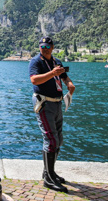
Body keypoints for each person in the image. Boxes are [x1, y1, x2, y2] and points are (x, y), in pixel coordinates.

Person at [29, 36, 75, 192]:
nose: (45, 49)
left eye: (47, 47)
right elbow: (34, 80)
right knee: (51, 139)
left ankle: (50, 172)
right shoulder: (36, 62)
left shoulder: (57, 62)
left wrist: (69, 84)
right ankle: (48, 179)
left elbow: (63, 76)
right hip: (44, 103)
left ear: (52, 47)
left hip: (57, 103)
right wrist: (52, 73)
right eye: (42, 47)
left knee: (58, 139)